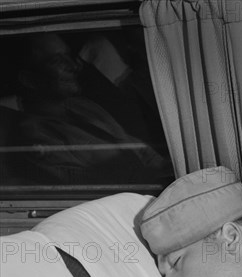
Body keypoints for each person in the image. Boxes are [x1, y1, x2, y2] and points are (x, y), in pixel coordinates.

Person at [12, 33, 172, 186]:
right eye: (57, 61)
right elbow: (96, 185)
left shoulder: (83, 106)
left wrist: (168, 171)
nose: (73, 66)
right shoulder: (35, 136)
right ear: (29, 79)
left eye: (69, 56)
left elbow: (137, 147)